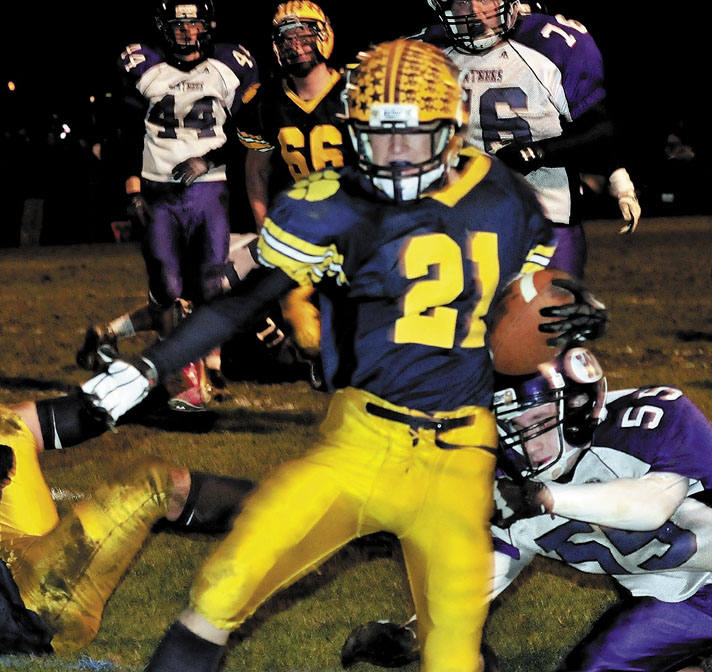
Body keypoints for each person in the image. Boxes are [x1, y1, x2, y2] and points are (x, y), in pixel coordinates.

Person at [79, 39, 607, 671]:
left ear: (454, 129)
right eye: (382, 137)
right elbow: (240, 304)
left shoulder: (503, 198)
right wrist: (149, 366)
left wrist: (572, 308)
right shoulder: (329, 200)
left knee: (451, 654)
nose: (397, 154)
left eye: (413, 137)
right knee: (221, 588)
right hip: (360, 443)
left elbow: (521, 312)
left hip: (461, 457)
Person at [340, 347, 712, 672]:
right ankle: (708, 659)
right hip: (672, 603)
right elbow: (486, 572)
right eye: (507, 426)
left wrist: (546, 498)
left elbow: (650, 506)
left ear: (579, 403)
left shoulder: (652, 419)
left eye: (536, 421)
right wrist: (416, 632)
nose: (524, 441)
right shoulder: (509, 485)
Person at [0, 391, 254, 655]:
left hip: (10, 545)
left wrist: (119, 397)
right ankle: (287, 509)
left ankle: (135, 398)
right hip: (29, 602)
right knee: (150, 483)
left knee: (6, 423)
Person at [418, 0, 641, 277]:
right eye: (463, 2)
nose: (476, 12)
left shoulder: (550, 45)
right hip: (460, 221)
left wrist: (537, 153)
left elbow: (600, 129)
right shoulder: (423, 55)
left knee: (545, 315)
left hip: (548, 220)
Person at [115, 0, 259, 410]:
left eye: (193, 24)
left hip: (210, 188)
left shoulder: (229, 67)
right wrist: (131, 188)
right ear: (165, 29)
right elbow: (125, 130)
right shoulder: (144, 68)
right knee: (167, 286)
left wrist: (209, 160)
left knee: (210, 283)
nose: (185, 32)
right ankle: (172, 359)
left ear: (206, 26)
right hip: (159, 189)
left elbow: (245, 132)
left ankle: (205, 366)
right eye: (178, 25)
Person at [236, 0, 353, 361]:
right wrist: (264, 228)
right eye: (286, 40)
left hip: (360, 222)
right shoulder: (264, 101)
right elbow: (257, 170)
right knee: (304, 332)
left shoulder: (358, 90)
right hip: (302, 226)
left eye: (304, 35)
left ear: (324, 36)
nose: (295, 45)